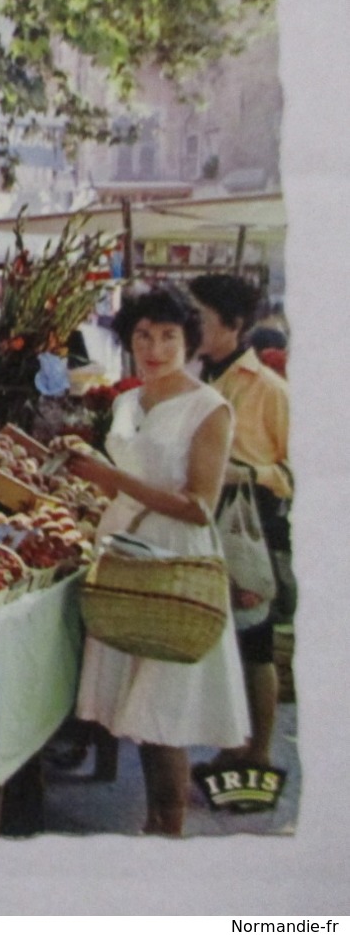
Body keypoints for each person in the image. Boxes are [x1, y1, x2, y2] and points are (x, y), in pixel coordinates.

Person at [63, 283, 248, 836]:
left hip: (173, 563)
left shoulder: (209, 408)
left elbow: (199, 507)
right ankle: (153, 828)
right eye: (143, 335)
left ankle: (169, 834)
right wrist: (85, 473)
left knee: (163, 712)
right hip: (123, 556)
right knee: (138, 710)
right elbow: (124, 478)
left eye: (169, 336)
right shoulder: (127, 400)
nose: (155, 347)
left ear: (190, 342)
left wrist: (110, 477)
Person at [190, 273, 292, 771]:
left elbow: (301, 469)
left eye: (200, 319)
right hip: (206, 522)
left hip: (251, 526)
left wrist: (245, 474)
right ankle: (231, 747)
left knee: (256, 643)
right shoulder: (200, 379)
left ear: (231, 325)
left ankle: (259, 756)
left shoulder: (269, 389)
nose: (191, 328)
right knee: (223, 642)